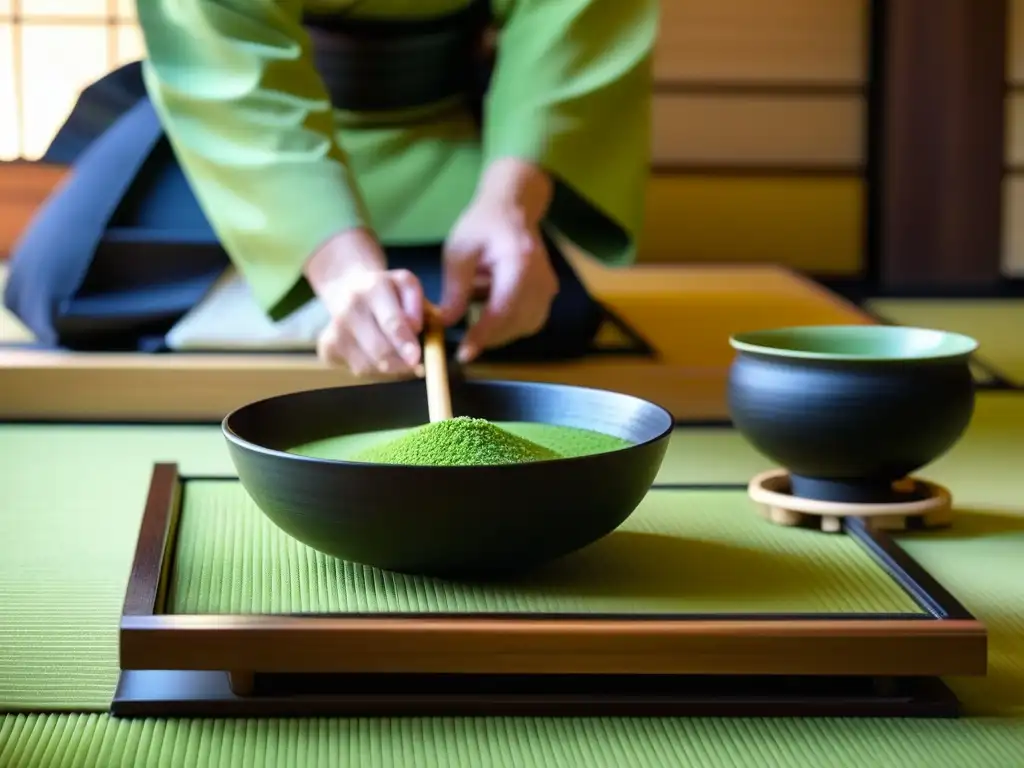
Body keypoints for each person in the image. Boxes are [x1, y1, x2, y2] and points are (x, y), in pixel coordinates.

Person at [3, 0, 658, 376]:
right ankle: (334, 295)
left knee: (540, 313)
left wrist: (509, 200)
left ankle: (293, 301)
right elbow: (215, 38)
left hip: (441, 122)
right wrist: (338, 265)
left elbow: (572, 18)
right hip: (239, 120)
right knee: (62, 287)